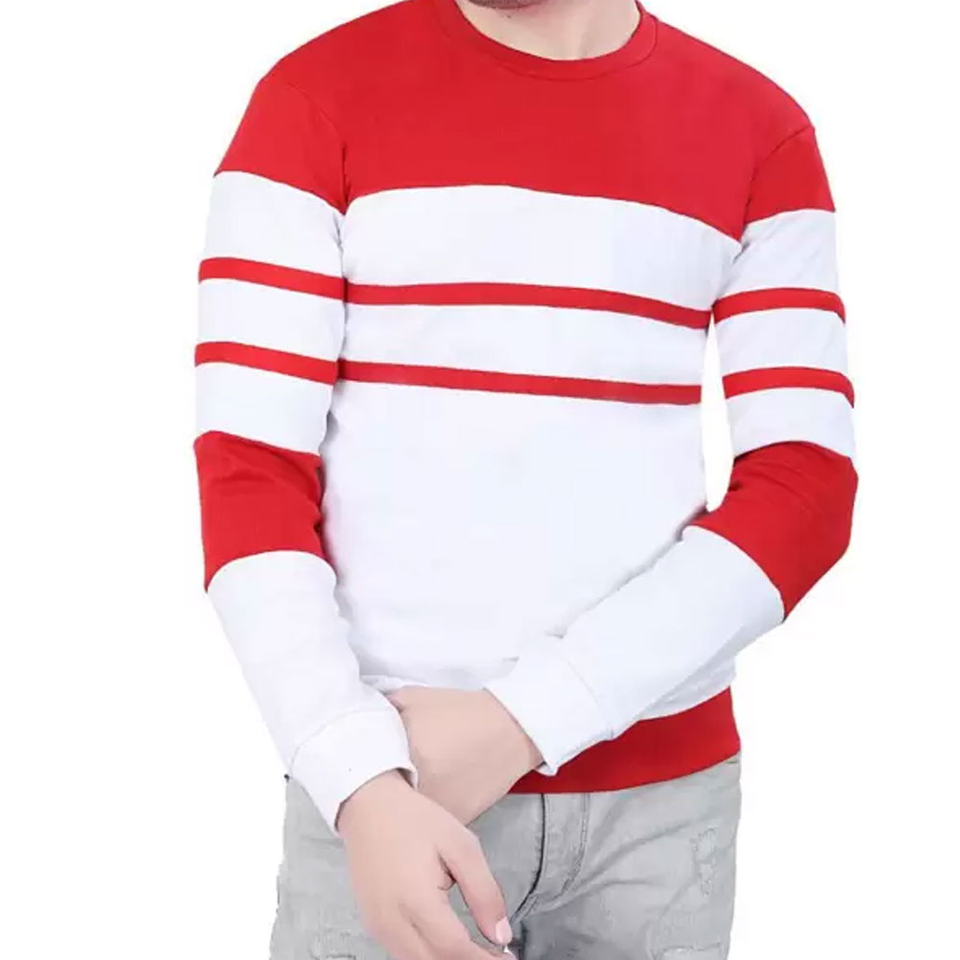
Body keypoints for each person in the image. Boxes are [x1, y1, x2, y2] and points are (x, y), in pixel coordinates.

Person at [193, 0, 857, 956]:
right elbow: (249, 475)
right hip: (392, 793)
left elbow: (807, 486)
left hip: (660, 809)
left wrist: (525, 721)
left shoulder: (759, 129)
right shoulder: (310, 101)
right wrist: (355, 773)